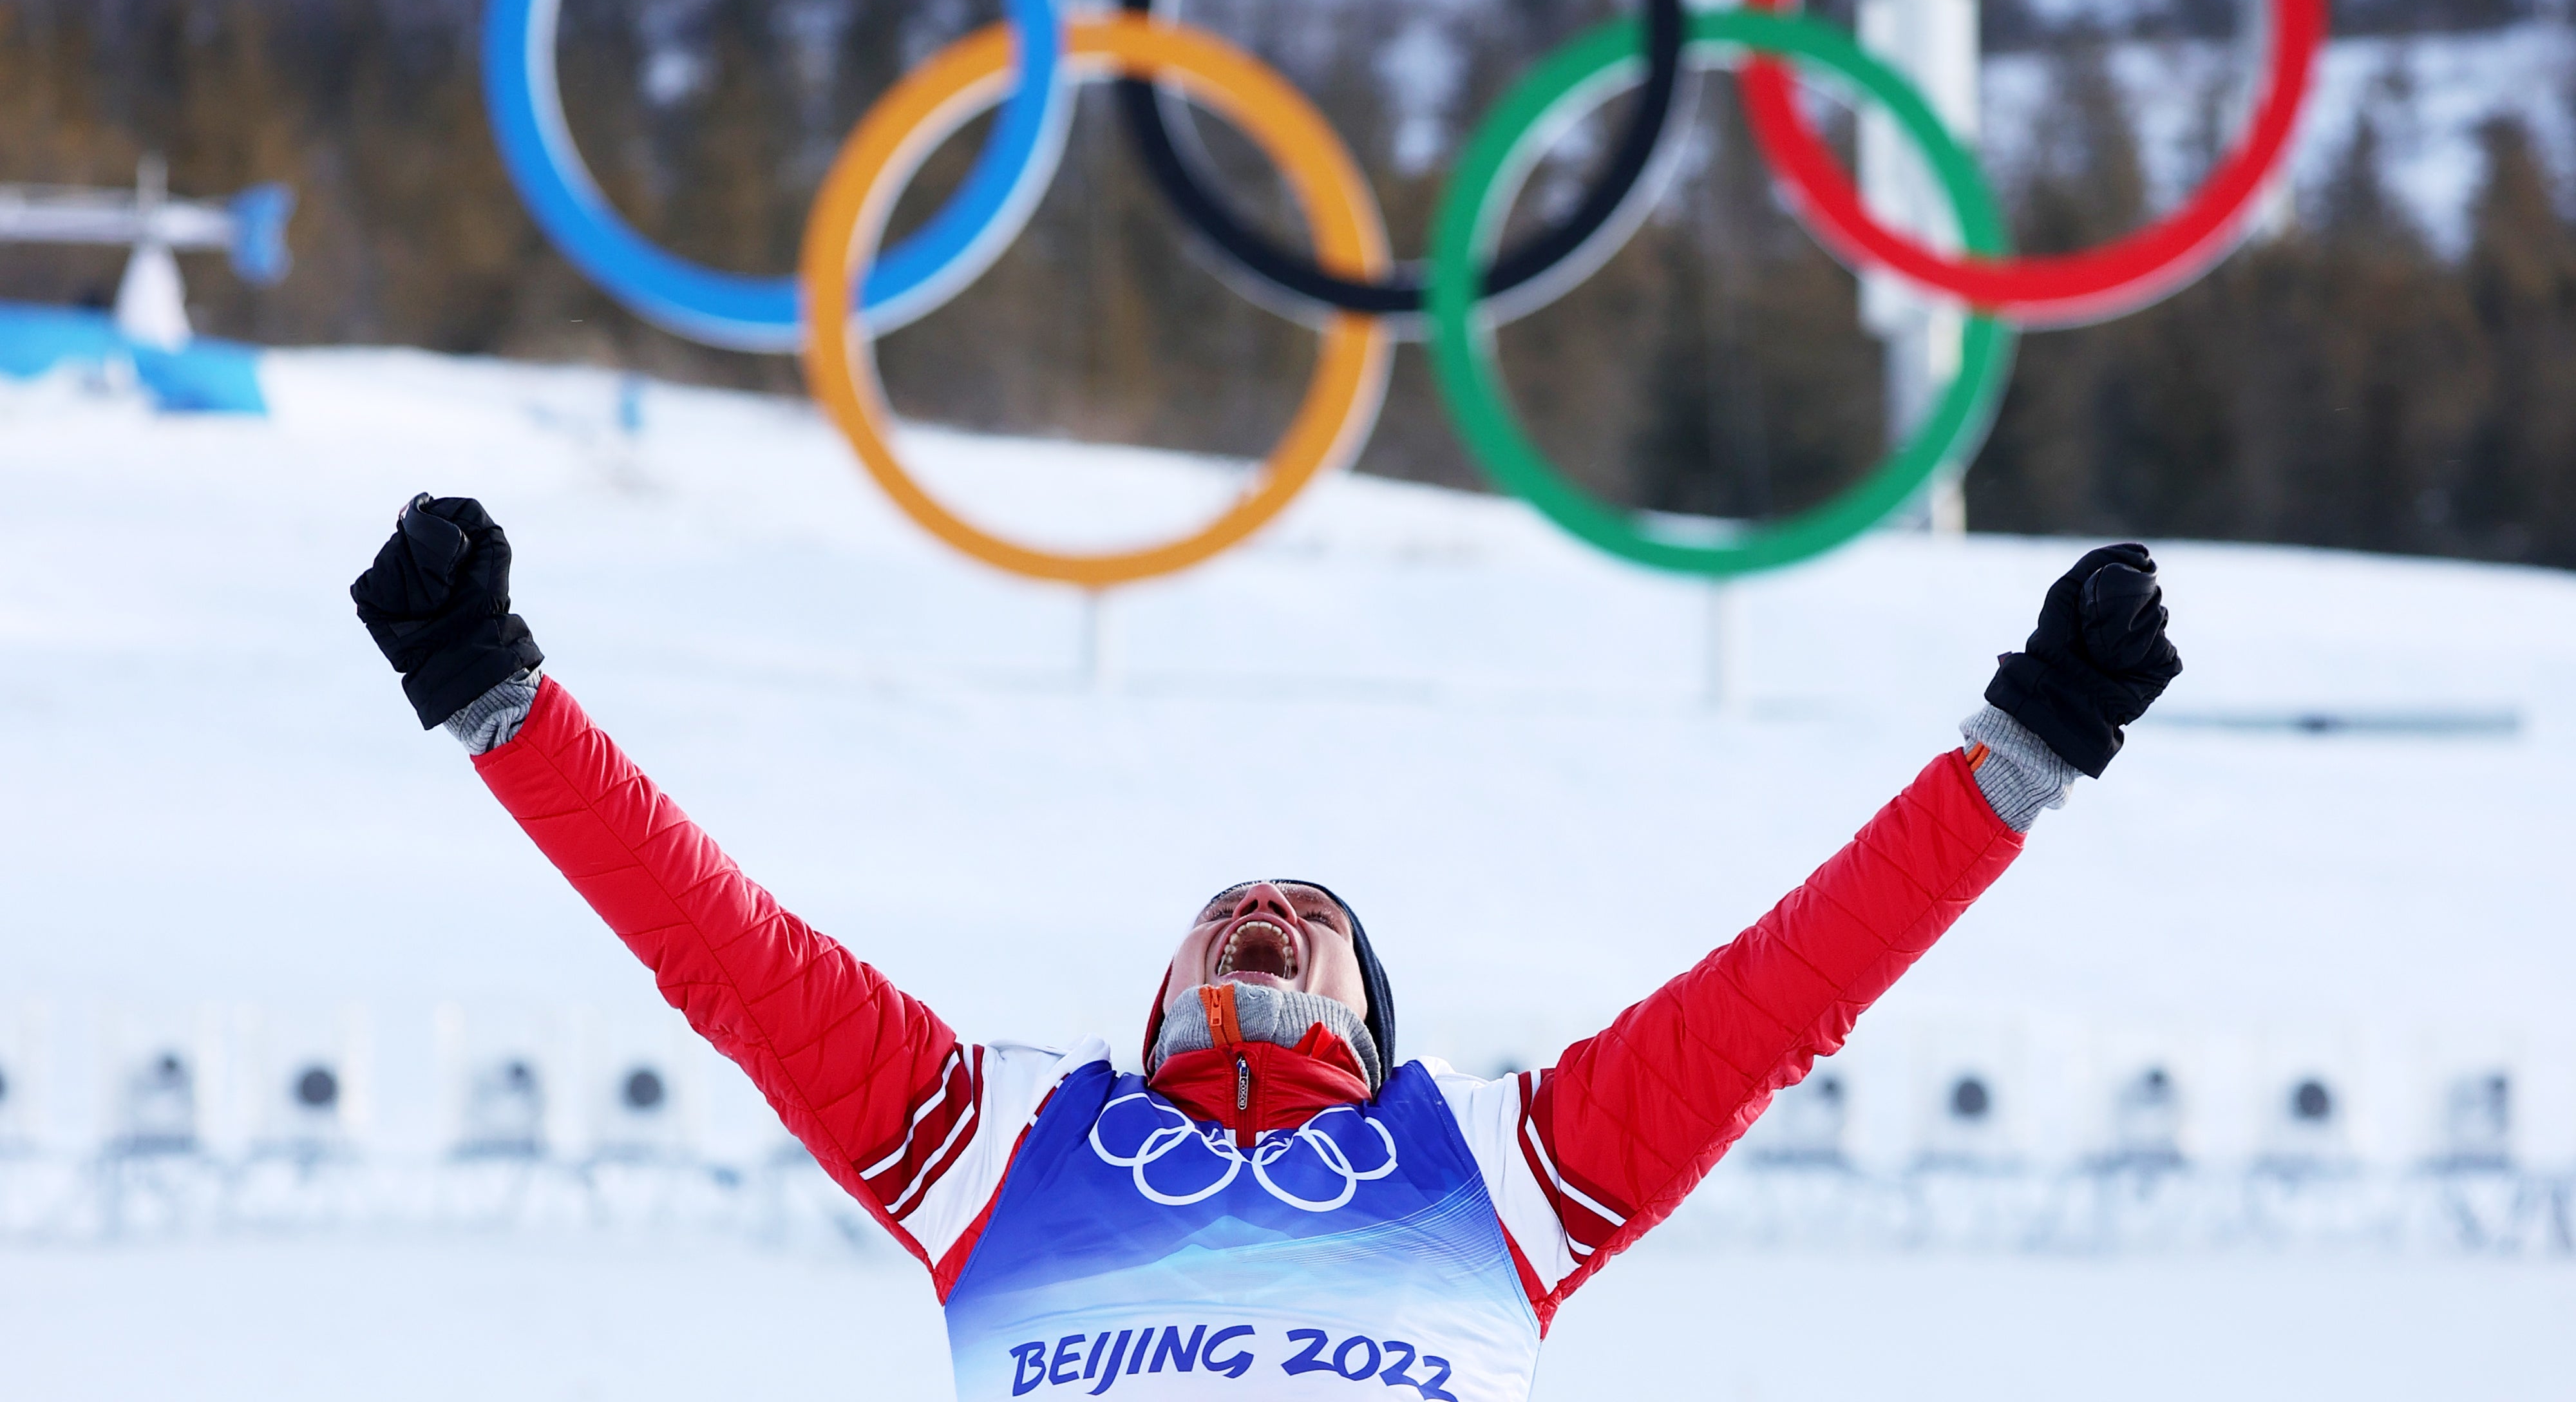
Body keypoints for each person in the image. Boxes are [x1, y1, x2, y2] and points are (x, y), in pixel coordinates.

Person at [352, 495, 2179, 1401]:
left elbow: (1790, 989)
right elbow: (722, 950)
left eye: (1310, 923)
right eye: (1232, 915)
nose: (1265, 914)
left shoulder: (1506, 1164)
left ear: (1380, 1032)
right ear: (1150, 1006)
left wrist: (2026, 750)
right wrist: (496, 699)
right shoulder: (988, 1139)